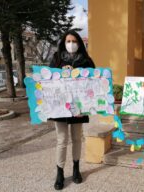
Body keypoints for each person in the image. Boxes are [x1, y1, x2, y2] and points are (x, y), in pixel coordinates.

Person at [49, 30, 95, 190]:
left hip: (79, 107)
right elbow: (48, 81)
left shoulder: (87, 61)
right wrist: (62, 74)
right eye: (68, 41)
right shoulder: (56, 59)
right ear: (63, 42)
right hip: (60, 107)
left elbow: (94, 82)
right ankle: (59, 172)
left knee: (77, 138)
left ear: (79, 43)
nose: (71, 44)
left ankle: (76, 168)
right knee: (61, 140)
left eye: (74, 41)